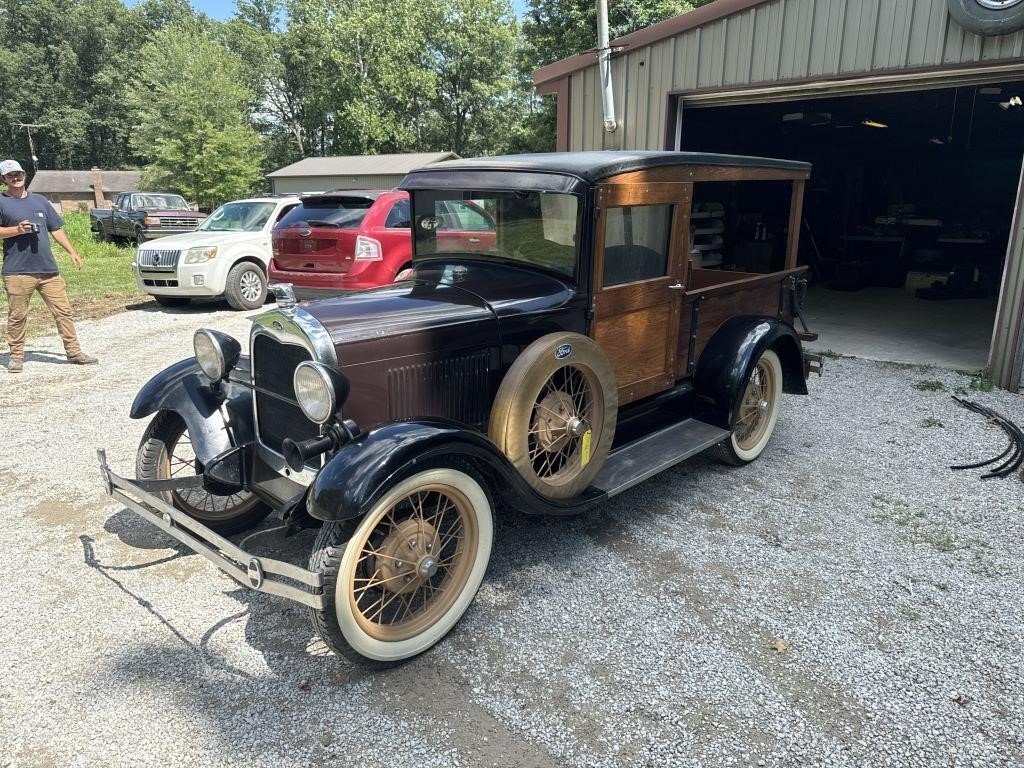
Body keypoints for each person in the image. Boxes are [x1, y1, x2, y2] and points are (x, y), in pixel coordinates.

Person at [0, 159, 98, 373]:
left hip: (48, 270)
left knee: (64, 312)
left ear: (24, 175)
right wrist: (17, 229)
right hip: (17, 271)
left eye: (18, 174)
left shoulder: (41, 201)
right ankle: (16, 356)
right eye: (10, 176)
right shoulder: (1, 202)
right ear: (4, 179)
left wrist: (72, 252)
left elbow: (56, 229)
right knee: (18, 315)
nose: (16, 178)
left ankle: (74, 353)